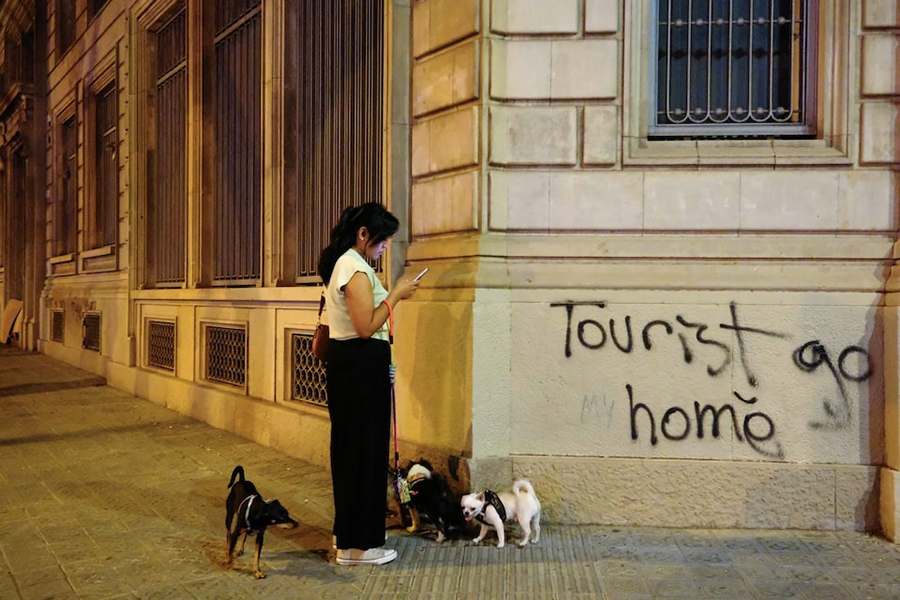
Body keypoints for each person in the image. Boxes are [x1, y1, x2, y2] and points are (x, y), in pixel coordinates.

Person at [317, 203, 419, 566]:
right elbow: (364, 327)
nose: (385, 247)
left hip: (358, 369)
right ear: (364, 235)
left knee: (353, 453)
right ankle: (359, 546)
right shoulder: (353, 268)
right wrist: (396, 296)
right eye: (382, 241)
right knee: (362, 455)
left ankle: (348, 538)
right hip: (358, 369)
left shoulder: (346, 265)